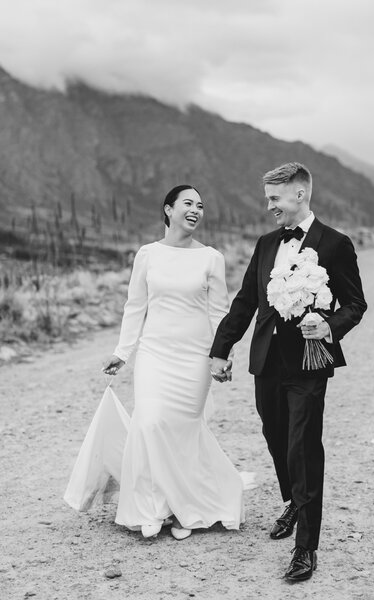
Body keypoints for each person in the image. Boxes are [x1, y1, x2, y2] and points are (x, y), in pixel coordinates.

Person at [210, 163, 367, 581]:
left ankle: (305, 549)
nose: (269, 206)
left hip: (308, 363)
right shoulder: (265, 244)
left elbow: (355, 304)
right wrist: (221, 349)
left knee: (303, 445)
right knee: (275, 436)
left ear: (299, 195)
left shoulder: (335, 244)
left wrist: (329, 326)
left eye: (274, 198)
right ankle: (295, 500)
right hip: (267, 361)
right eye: (267, 198)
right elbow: (246, 301)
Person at [64, 184, 244, 540]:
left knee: (182, 429)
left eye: (201, 205)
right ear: (168, 210)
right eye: (188, 203)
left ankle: (183, 510)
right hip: (155, 354)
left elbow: (219, 312)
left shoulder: (211, 257)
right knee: (148, 423)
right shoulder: (147, 254)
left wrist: (222, 356)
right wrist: (123, 351)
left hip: (195, 356)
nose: (196, 210)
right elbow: (135, 306)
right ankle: (150, 508)